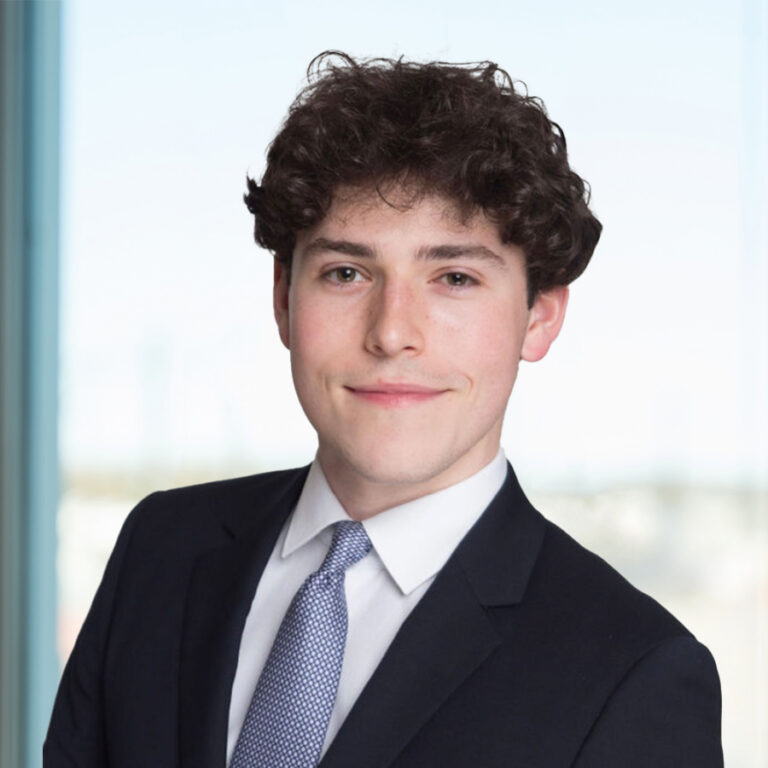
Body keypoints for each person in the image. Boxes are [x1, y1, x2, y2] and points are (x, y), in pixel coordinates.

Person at [44, 52, 723, 767]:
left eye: (454, 278)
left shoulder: (634, 674)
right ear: (283, 299)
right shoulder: (161, 550)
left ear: (540, 316)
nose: (392, 332)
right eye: (346, 273)